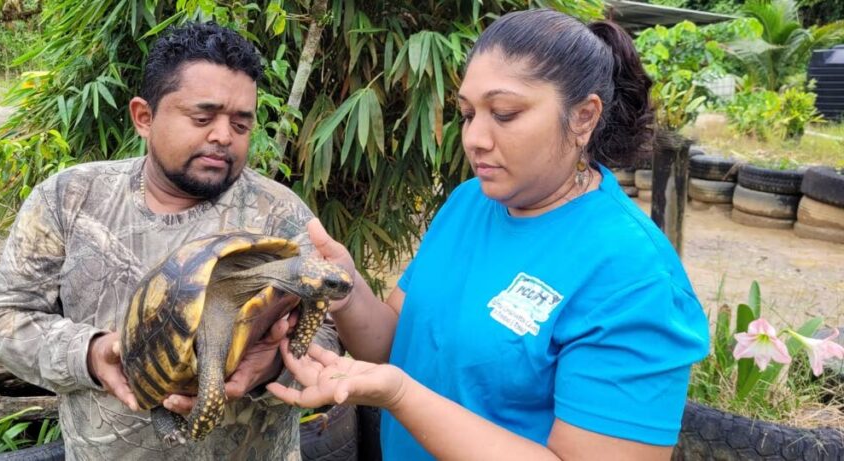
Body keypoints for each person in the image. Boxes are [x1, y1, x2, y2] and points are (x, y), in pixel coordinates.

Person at [267, 9, 710, 460]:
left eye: (504, 113)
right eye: (467, 113)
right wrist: (345, 290)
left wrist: (401, 396)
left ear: (583, 117)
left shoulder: (633, 275)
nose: (475, 138)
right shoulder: (469, 203)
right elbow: (397, 344)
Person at [0, 22, 338, 460]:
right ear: (143, 117)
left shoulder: (279, 213)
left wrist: (273, 366)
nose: (223, 136)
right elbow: (0, 321)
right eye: (203, 118)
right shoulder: (69, 200)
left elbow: (328, 334)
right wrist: (89, 354)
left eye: (241, 124)